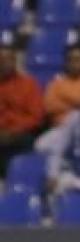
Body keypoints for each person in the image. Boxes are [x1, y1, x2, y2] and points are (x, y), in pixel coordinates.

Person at [0, 44, 44, 176]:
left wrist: (13, 132)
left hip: (19, 135)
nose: (5, 63)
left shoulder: (29, 84)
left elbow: (36, 117)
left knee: (25, 141)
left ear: (14, 61)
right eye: (1, 59)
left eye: (8, 59)